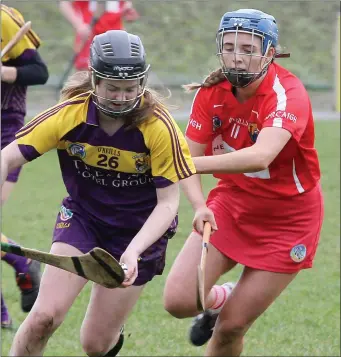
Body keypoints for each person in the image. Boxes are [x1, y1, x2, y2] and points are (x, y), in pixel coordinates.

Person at [2, 29, 195, 356]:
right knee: (43, 318)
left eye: (130, 89)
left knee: (94, 345)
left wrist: (133, 251)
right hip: (84, 219)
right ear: (94, 80)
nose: (121, 98)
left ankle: (110, 334)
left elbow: (168, 204)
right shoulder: (69, 114)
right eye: (112, 89)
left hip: (139, 232)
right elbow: (6, 157)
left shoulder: (158, 126)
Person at [163, 8, 324, 356]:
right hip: (232, 204)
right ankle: (218, 298)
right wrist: (199, 205)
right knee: (178, 302)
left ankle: (226, 309)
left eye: (248, 49)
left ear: (269, 53)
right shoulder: (211, 93)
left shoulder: (287, 93)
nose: (237, 56)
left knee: (231, 328)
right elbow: (188, 159)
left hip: (289, 219)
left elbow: (260, 156)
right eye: (230, 46)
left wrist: (185, 163)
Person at [1, 4, 49, 329]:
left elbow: (39, 72)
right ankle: (23, 262)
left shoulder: (5, 20)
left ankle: (23, 262)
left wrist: (5, 72)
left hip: (4, 129)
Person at [59, 0, 140, 71]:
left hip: (116, 36)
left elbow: (125, 4)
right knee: (85, 75)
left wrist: (127, 10)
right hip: (89, 36)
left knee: (116, 72)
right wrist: (79, 25)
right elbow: (64, 3)